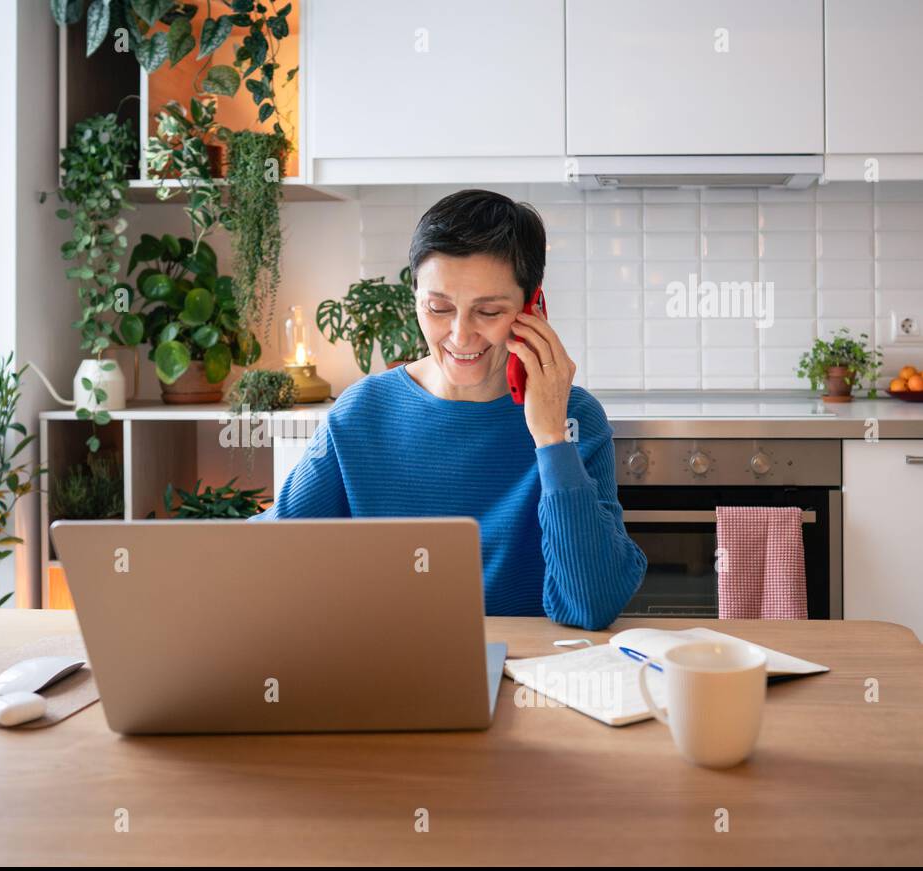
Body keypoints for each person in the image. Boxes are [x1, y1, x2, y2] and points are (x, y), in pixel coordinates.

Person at [250, 188, 647, 631]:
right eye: (438, 308)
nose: (460, 336)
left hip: (532, 674)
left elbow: (591, 606)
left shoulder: (575, 416)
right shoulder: (364, 412)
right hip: (395, 669)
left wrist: (550, 437)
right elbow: (271, 553)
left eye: (488, 311)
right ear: (415, 296)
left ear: (533, 308)